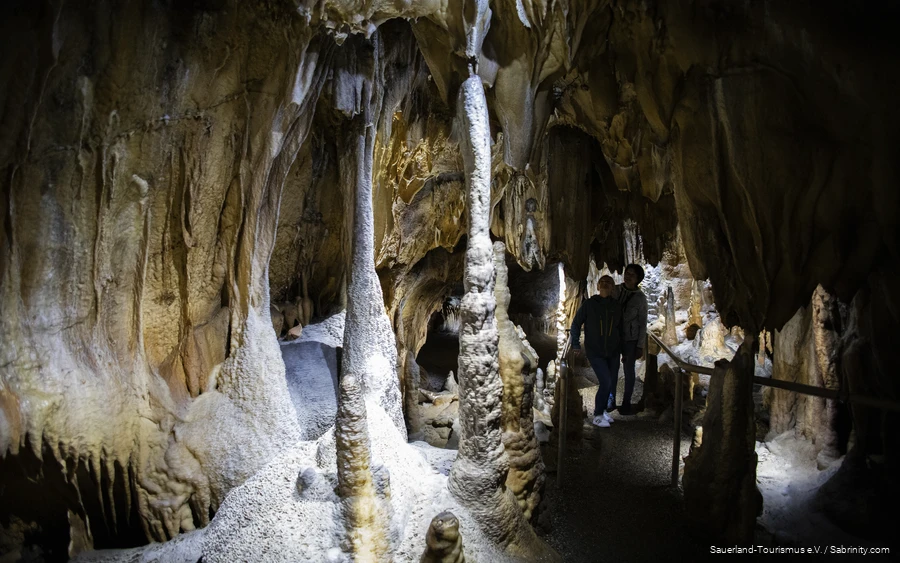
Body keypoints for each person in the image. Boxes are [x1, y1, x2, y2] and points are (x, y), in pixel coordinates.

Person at [570, 275, 622, 428]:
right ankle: (598, 415)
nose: (605, 285)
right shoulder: (590, 305)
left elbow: (621, 329)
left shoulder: (616, 306)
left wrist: (623, 350)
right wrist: (575, 344)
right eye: (603, 282)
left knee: (611, 382)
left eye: (609, 283)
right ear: (598, 287)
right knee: (605, 381)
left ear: (613, 287)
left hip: (613, 351)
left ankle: (604, 409)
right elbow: (576, 324)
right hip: (595, 351)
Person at [609, 263, 648, 416]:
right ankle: (611, 400)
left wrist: (640, 345)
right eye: (627, 273)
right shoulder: (616, 290)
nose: (628, 276)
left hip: (630, 339)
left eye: (632, 275)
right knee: (612, 368)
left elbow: (642, 322)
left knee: (628, 370)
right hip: (614, 336)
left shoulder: (640, 298)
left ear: (638, 279)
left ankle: (626, 402)